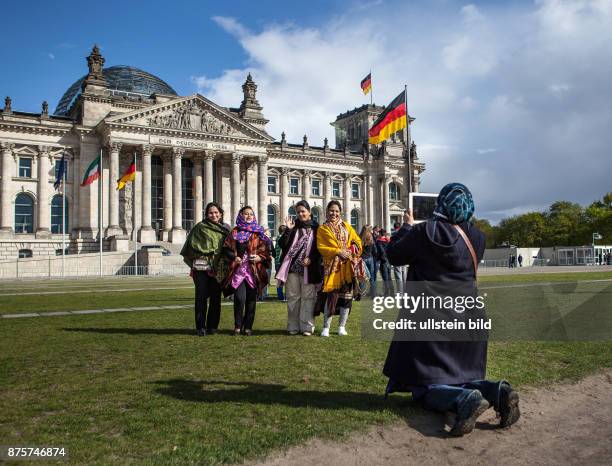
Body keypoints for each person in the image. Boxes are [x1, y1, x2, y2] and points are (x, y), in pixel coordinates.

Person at [383, 183, 520, 436]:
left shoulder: (424, 232)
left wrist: (406, 226)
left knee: (427, 386)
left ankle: (463, 402)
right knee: (459, 377)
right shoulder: (478, 237)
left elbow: (393, 254)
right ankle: (499, 391)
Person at [180, 202, 230, 336]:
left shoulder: (226, 229)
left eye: (216, 212)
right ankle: (200, 327)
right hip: (201, 268)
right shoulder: (199, 228)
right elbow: (190, 247)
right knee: (201, 297)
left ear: (220, 213)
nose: (213, 215)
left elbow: (230, 247)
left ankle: (212, 327)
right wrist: (205, 253)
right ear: (206, 214)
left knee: (215, 299)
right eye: (210, 213)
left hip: (218, 268)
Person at [222, 206, 272, 336]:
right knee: (239, 298)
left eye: (251, 214)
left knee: (251, 300)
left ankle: (248, 326)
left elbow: (267, 251)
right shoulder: (234, 232)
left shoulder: (259, 232)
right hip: (238, 271)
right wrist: (235, 257)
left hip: (254, 271)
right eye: (246, 214)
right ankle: (238, 326)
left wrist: (259, 257)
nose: (249, 216)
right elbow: (226, 248)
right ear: (240, 215)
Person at [316, 200, 363, 336]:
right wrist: (337, 251)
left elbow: (357, 242)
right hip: (331, 268)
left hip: (347, 267)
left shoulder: (347, 227)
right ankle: (326, 327)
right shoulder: (322, 229)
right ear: (326, 212)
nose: (334, 213)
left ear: (340, 212)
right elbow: (321, 247)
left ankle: (342, 326)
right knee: (331, 297)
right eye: (331, 210)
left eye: (336, 211)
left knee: (347, 298)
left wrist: (349, 250)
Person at [276, 200, 322, 336]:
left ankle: (307, 327)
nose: (301, 214)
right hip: (292, 269)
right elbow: (283, 245)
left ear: (309, 212)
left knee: (308, 298)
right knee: (293, 298)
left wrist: (311, 258)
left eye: (303, 211)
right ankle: (293, 326)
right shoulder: (293, 227)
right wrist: (287, 230)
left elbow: (319, 249)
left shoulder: (317, 228)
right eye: (298, 212)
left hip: (309, 269)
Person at [360, 226, 377, 298]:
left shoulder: (360, 237)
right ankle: (373, 294)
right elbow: (375, 250)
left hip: (363, 258)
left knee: (363, 277)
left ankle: (362, 294)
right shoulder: (371, 238)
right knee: (372, 278)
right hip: (370, 258)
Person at [376, 230, 394, 297]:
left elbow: (381, 251)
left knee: (385, 278)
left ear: (380, 234)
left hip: (384, 261)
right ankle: (392, 293)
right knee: (389, 277)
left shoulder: (379, 242)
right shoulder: (388, 240)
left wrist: (381, 259)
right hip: (388, 260)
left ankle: (386, 294)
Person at [274, 225, 288, 301]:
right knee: (284, 280)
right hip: (281, 261)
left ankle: (280, 296)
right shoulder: (282, 238)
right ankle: (283, 296)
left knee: (280, 280)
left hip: (277, 262)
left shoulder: (277, 237)